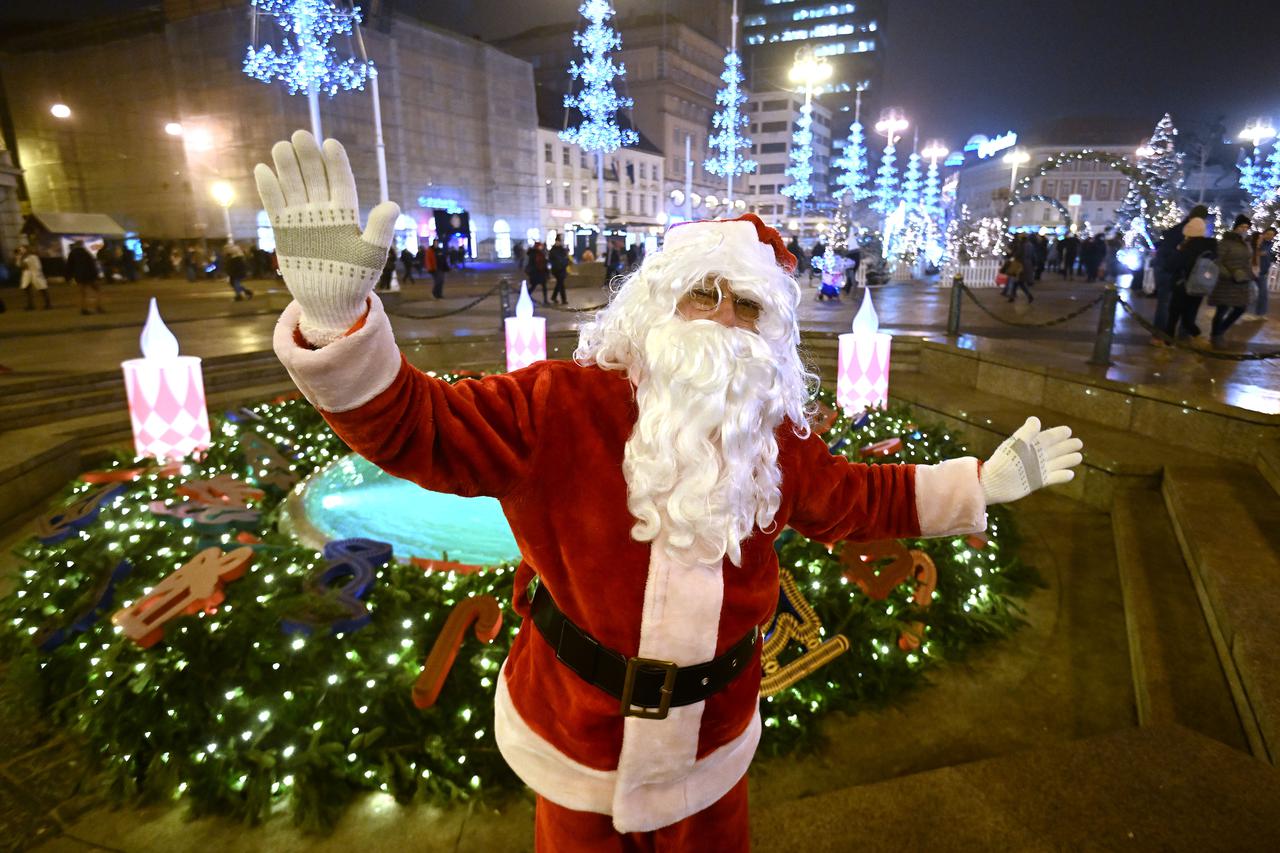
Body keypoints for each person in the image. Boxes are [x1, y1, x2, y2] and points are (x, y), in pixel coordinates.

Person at [256, 130, 1084, 851]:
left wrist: (980, 484)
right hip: (577, 731)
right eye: (704, 292)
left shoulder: (777, 437)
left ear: (771, 332)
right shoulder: (560, 405)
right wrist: (339, 328)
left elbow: (855, 501)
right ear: (658, 304)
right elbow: (421, 428)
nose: (723, 318)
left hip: (710, 744)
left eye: (747, 303)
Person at [1150, 205, 1210, 345]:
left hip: (1169, 270)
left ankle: (1163, 336)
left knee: (1169, 304)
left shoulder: (1178, 229)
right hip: (1171, 271)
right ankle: (1163, 336)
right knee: (1168, 304)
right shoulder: (1187, 232)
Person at [1207, 214, 1257, 348]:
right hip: (1226, 282)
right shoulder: (1225, 242)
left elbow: (1247, 261)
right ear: (1236, 227)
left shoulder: (1246, 243)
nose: (1244, 229)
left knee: (1240, 308)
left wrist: (1251, 274)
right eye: (1242, 226)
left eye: (1246, 227)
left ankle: (1220, 331)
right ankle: (1215, 336)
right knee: (1222, 309)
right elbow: (1218, 261)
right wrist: (1229, 274)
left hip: (1242, 282)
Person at [1164, 216, 1214, 340]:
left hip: (1182, 285)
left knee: (1174, 314)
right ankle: (1192, 333)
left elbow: (1171, 265)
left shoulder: (1187, 247)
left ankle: (1168, 340)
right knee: (1190, 314)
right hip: (1200, 285)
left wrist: (1177, 252)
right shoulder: (1211, 247)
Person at [65, 240, 104, 315]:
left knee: (82, 293)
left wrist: (68, 277)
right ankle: (98, 306)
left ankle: (83, 309)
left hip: (79, 276)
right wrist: (96, 276)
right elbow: (91, 265)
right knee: (97, 290)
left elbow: (69, 266)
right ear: (82, 245)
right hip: (89, 275)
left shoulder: (72, 254)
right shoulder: (86, 253)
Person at [1250, 226, 1275, 319]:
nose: (1270, 236)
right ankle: (1250, 313)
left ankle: (1261, 313)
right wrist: (1258, 245)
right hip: (1252, 270)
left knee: (1263, 293)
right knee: (1252, 292)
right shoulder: (1257, 241)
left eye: (1272, 235)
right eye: (1268, 234)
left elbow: (1265, 254)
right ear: (1264, 234)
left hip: (1262, 272)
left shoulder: (1269, 245)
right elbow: (1255, 253)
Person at [549, 237, 570, 305]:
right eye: (557, 241)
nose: (558, 242)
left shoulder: (562, 250)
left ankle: (554, 297)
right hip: (556, 269)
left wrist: (565, 263)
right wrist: (556, 264)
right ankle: (563, 300)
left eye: (559, 241)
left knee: (559, 283)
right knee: (561, 284)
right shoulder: (552, 250)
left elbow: (566, 258)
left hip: (562, 269)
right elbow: (551, 260)